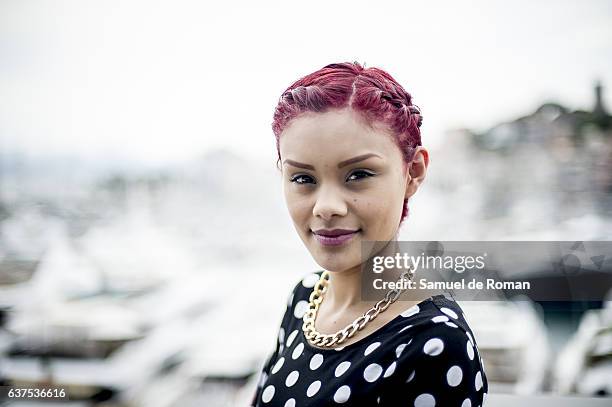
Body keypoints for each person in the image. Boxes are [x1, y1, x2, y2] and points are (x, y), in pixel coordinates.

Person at [250, 62, 488, 406]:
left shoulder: (433, 343)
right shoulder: (305, 298)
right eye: (303, 178)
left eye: (358, 174)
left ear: (413, 172)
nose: (326, 207)